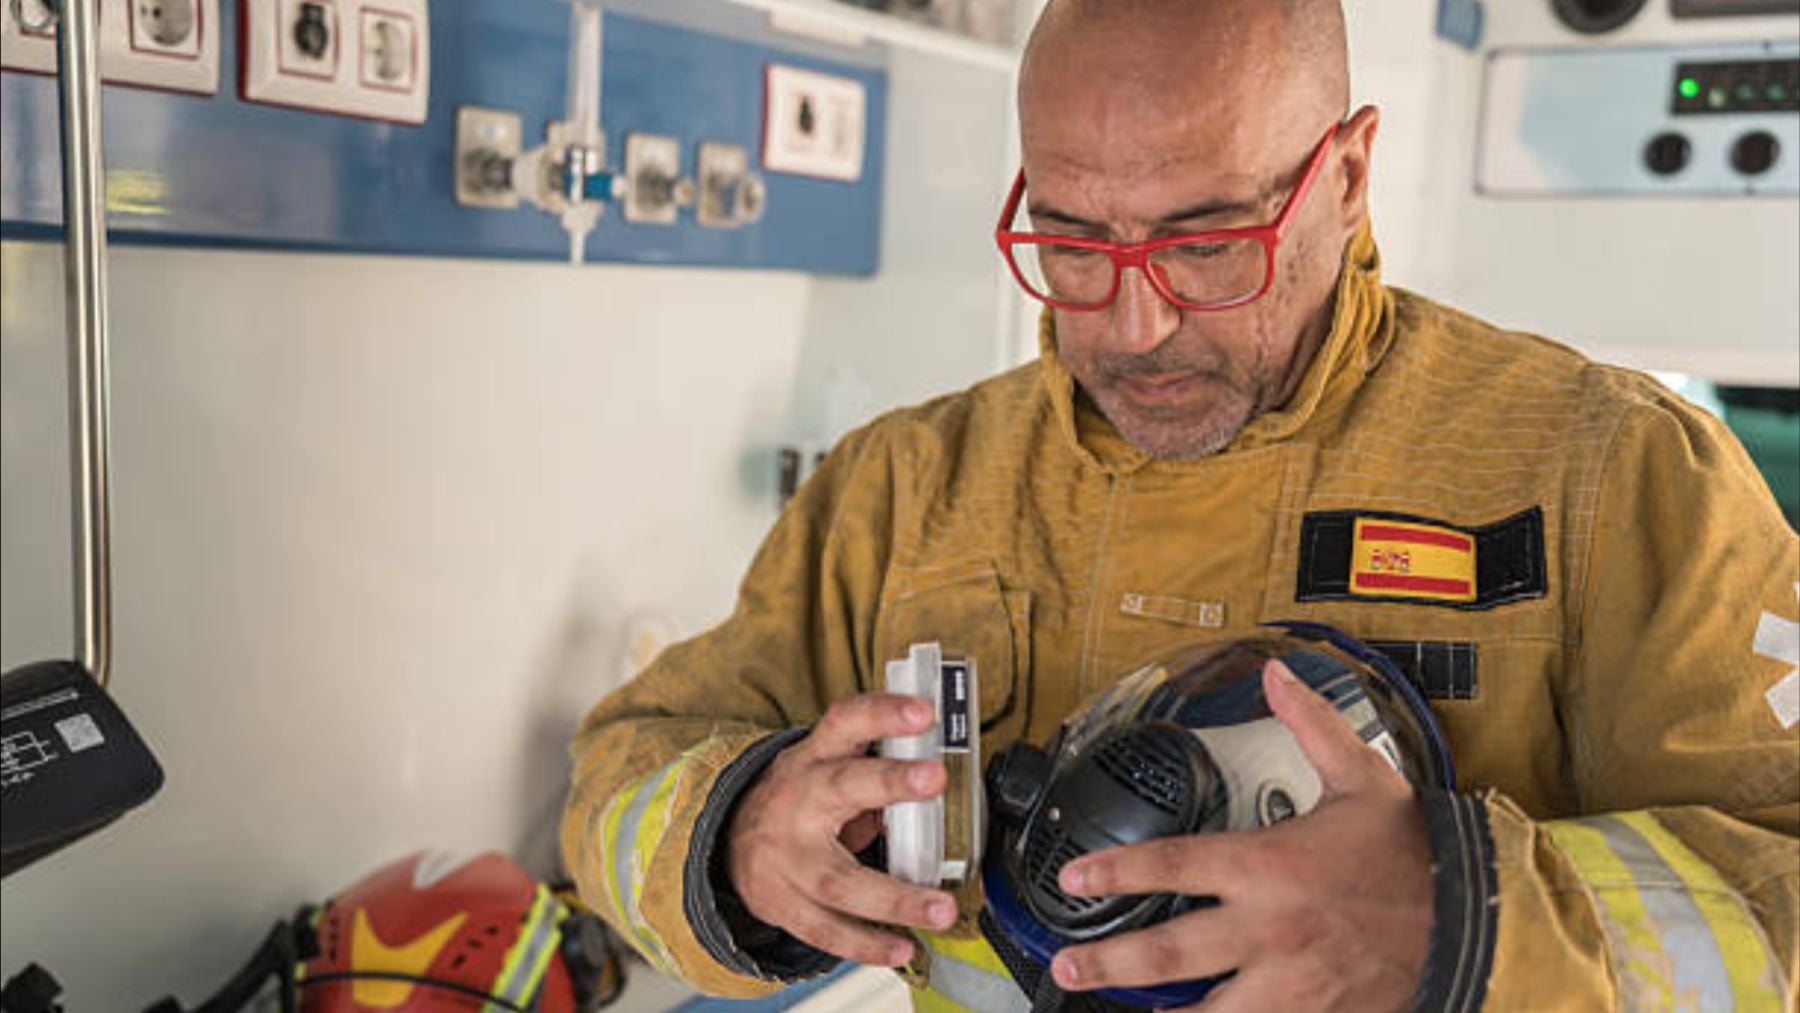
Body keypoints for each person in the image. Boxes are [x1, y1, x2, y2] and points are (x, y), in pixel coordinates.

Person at [560, 0, 1800, 1008]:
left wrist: (1467, 919)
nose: (1133, 323)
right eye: (1073, 242)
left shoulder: (1618, 478)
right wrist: (736, 834)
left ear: (1350, 171)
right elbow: (624, 770)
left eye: (1208, 242)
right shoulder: (899, 488)